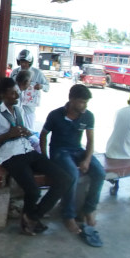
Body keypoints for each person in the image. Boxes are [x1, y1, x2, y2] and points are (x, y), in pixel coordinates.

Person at [0, 80, 66, 236]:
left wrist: (26, 132)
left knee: (64, 178)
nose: (17, 95)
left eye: (17, 92)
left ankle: (32, 216)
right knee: (33, 191)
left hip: (28, 150)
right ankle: (30, 220)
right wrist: (7, 135)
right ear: (2, 95)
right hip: (11, 156)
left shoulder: (19, 111)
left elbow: (24, 130)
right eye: (13, 93)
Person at [41, 84, 107, 247]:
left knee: (100, 173)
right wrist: (45, 158)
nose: (84, 106)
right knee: (72, 175)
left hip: (77, 150)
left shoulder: (88, 116)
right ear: (71, 100)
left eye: (86, 102)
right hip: (59, 151)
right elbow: (43, 135)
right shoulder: (55, 115)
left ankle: (89, 210)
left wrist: (86, 160)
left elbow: (90, 141)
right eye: (81, 102)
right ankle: (68, 215)